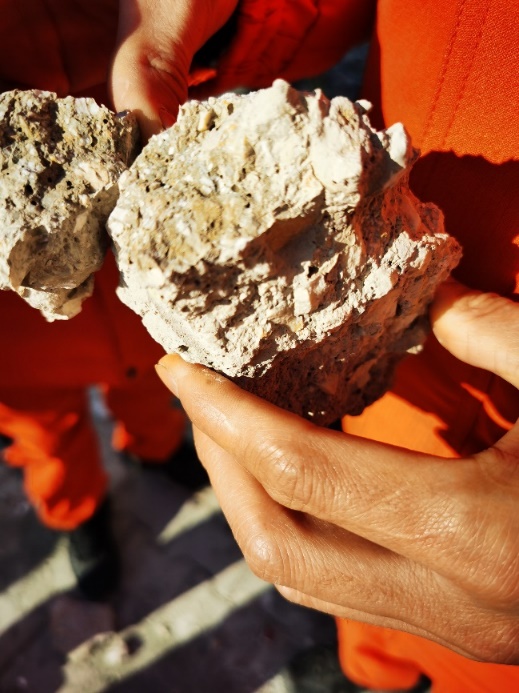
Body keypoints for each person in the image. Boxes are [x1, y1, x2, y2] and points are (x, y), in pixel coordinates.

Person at [2, 0, 518, 688]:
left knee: (159, 397)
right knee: (45, 431)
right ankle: (75, 509)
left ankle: (154, 450)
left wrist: (224, 24)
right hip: (22, 351)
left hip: (365, 355)